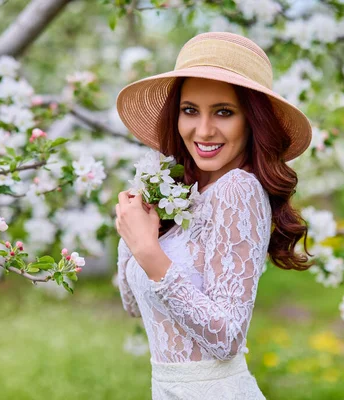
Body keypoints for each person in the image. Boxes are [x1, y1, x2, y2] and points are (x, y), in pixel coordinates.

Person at [114, 31, 314, 399]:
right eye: (190, 110)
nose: (203, 130)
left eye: (224, 112)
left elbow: (227, 337)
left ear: (252, 120)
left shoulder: (238, 189)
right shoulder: (184, 198)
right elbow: (133, 306)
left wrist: (148, 251)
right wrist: (136, 228)